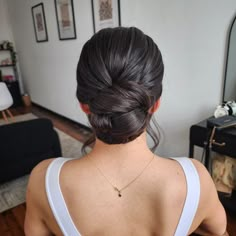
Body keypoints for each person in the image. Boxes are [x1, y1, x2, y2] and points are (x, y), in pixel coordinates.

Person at [24, 27, 228, 236]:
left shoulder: (43, 181)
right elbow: (219, 232)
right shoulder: (196, 181)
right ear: (155, 104)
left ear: (84, 105)